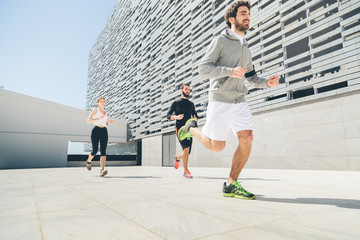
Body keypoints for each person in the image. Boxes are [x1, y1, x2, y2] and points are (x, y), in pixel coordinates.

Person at [177, 1, 279, 199]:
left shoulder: (246, 49)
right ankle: (191, 129)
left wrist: (267, 83)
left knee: (247, 138)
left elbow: (250, 78)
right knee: (218, 146)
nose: (247, 16)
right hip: (220, 99)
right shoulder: (220, 41)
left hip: (240, 100)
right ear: (232, 19)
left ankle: (231, 183)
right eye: (243, 13)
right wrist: (229, 71)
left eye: (248, 13)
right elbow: (203, 68)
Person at [167, 83, 199, 178]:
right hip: (180, 129)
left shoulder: (191, 104)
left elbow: (195, 115)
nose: (188, 91)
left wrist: (195, 118)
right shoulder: (176, 102)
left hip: (189, 129)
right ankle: (186, 171)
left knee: (187, 151)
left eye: (189, 89)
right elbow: (168, 115)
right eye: (186, 89)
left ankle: (177, 158)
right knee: (186, 149)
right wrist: (176, 117)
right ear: (181, 90)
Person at [85, 97, 114, 177]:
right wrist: (98, 118)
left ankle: (102, 170)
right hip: (96, 131)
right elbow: (88, 121)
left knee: (103, 151)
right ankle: (88, 161)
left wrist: (108, 123)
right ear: (98, 103)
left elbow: (103, 123)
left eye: (103, 101)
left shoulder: (105, 112)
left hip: (104, 131)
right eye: (101, 101)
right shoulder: (95, 110)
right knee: (94, 151)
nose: (102, 103)